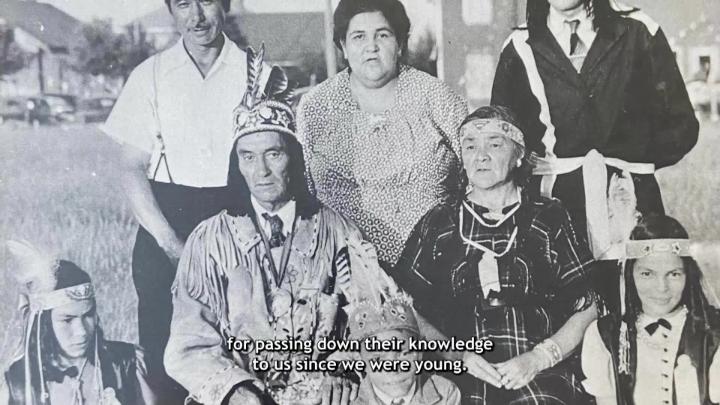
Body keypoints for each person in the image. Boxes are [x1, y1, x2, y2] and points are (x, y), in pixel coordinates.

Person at [164, 50, 404, 405]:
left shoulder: (337, 231)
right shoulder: (210, 240)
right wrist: (235, 389)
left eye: (273, 154)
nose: (261, 171)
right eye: (248, 156)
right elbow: (189, 343)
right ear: (236, 165)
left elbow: (381, 322)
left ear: (293, 157)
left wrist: (343, 368)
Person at [491, 0, 699, 312]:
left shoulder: (638, 30)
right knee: (565, 311)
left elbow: (682, 126)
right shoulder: (520, 44)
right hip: (554, 206)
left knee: (638, 308)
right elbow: (503, 135)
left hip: (629, 201)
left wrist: (631, 164)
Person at [101, 0, 262, 400]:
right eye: (184, 4)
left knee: (241, 356)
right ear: (171, 9)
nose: (197, 17)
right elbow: (131, 167)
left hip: (238, 223)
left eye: (206, 1)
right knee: (166, 361)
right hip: (165, 224)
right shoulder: (150, 75)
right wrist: (171, 244)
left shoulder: (258, 73)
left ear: (225, 5)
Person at [392, 106, 598, 404]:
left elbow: (590, 305)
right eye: (470, 147)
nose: (481, 156)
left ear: (518, 156)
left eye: (495, 145)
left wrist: (540, 358)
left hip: (539, 374)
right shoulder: (440, 221)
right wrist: (457, 355)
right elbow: (403, 306)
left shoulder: (548, 216)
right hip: (459, 374)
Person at [297, 0, 468, 269]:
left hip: (433, 269)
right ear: (343, 46)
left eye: (383, 35)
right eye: (358, 36)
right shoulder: (316, 106)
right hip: (343, 269)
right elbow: (303, 188)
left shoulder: (437, 98)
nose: (371, 46)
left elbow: (475, 174)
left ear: (399, 43)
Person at [581, 215, 720, 405]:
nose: (661, 288)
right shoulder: (605, 335)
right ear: (630, 274)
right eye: (647, 274)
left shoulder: (713, 333)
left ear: (688, 275)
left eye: (673, 274)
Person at [0, 241, 156, 405]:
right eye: (67, 319)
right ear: (45, 324)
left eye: (88, 315)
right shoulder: (19, 383)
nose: (81, 331)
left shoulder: (126, 364)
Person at [348, 292, 461, 405]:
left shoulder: (445, 393)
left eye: (404, 354)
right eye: (377, 359)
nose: (393, 370)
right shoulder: (347, 400)